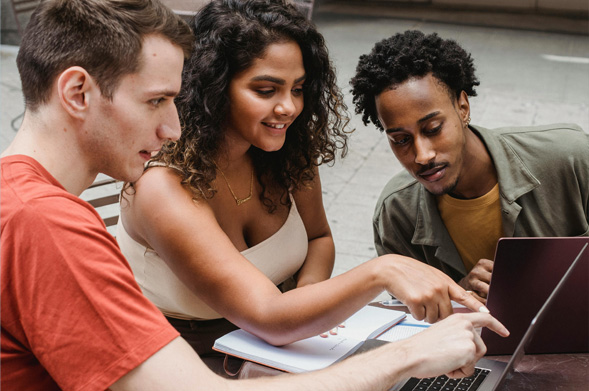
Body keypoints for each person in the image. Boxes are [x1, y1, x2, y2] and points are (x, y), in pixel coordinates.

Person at [1, 0, 510, 389]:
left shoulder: (32, 204)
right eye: (156, 100)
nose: (173, 129)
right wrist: (412, 351)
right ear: (76, 93)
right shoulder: (44, 222)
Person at [350, 30, 589, 304]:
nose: (422, 156)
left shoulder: (572, 159)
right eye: (401, 140)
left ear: (463, 107)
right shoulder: (396, 213)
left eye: (433, 128)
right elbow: (405, 321)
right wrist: (457, 296)